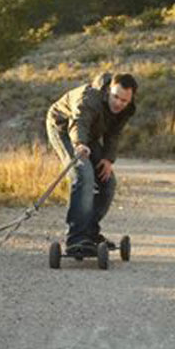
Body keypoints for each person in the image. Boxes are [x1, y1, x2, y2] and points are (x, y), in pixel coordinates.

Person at [46, 72, 137, 253]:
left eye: (124, 100)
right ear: (108, 91)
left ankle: (89, 232)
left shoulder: (127, 108)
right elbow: (79, 122)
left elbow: (113, 134)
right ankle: (76, 238)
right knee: (84, 174)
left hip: (91, 134)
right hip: (64, 128)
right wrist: (79, 144)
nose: (119, 103)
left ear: (131, 98)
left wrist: (108, 158)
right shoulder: (89, 98)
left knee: (108, 181)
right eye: (115, 97)